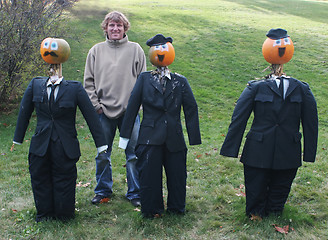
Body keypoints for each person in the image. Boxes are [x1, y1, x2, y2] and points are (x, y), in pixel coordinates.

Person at [220, 28, 318, 218]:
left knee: (281, 185)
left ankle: (275, 209)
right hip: (258, 148)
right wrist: (230, 148)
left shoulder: (301, 89)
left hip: (288, 149)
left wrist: (310, 153)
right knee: (256, 183)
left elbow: (311, 123)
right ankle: (255, 211)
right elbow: (239, 118)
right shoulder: (255, 88)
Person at [12, 38, 108, 222]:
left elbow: (90, 116)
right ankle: (44, 213)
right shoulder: (36, 85)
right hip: (41, 143)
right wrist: (18, 137)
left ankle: (64, 214)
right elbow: (24, 112)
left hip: (65, 144)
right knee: (39, 177)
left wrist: (101, 143)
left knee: (64, 177)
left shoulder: (74, 89)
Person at [119, 34, 202, 218]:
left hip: (174, 137)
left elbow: (191, 108)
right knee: (149, 175)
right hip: (149, 138)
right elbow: (132, 107)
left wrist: (194, 136)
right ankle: (151, 209)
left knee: (177, 176)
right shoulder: (144, 79)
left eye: (164, 48)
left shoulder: (180, 81)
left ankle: (176, 207)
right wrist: (124, 137)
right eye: (157, 49)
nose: (161, 53)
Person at [84, 11, 146, 206]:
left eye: (119, 25)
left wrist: (137, 107)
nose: (115, 28)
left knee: (134, 155)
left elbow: (143, 81)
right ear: (106, 27)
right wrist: (96, 106)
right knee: (103, 154)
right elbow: (88, 83)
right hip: (103, 113)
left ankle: (135, 192)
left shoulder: (136, 50)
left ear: (125, 28)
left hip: (130, 113)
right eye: (111, 25)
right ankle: (103, 191)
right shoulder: (96, 51)